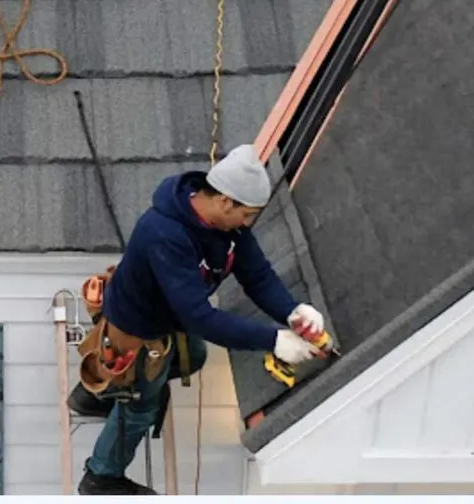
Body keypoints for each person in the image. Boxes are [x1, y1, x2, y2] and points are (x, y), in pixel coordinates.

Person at [73, 144, 327, 495]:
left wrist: (292, 311)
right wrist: (273, 340)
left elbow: (257, 277)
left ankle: (97, 396)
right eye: (247, 215)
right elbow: (200, 318)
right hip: (135, 328)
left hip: (170, 318)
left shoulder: (229, 229)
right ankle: (101, 476)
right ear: (225, 201)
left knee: (195, 356)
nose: (248, 223)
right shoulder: (164, 233)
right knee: (141, 409)